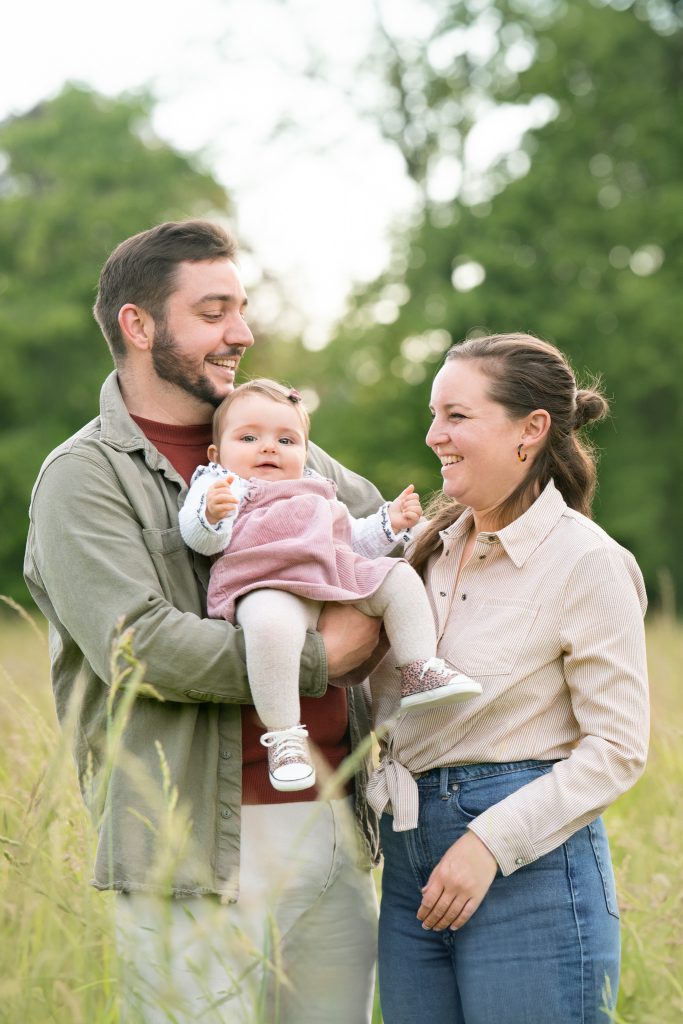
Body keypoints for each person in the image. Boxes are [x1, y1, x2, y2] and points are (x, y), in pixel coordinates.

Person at [24, 219, 388, 1024]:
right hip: (186, 851)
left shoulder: (285, 442)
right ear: (139, 325)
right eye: (215, 311)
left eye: (243, 309)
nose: (243, 333)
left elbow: (387, 546)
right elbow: (141, 646)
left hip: (331, 822)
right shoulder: (83, 478)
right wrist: (319, 659)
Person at [366, 333, 649, 1024]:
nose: (433, 435)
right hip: (409, 869)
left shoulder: (586, 563)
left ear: (530, 431)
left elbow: (616, 748)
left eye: (456, 416)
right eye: (433, 415)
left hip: (531, 873)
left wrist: (488, 845)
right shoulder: (422, 551)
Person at [179, 377, 481, 792]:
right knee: (269, 631)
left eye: (286, 440)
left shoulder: (315, 488)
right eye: (249, 437)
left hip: (330, 575)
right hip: (266, 584)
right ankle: (285, 738)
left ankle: (419, 668)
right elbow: (200, 537)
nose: (269, 447)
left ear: (304, 453)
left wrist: (389, 524)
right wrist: (211, 514)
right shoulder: (222, 486)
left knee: (396, 577)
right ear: (217, 453)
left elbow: (351, 537)